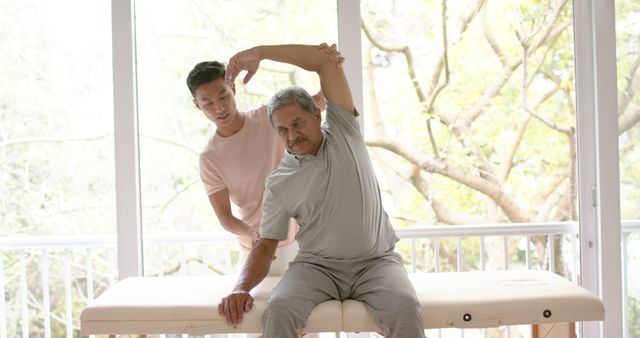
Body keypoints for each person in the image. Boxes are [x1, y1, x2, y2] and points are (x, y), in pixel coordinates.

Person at [218, 43, 424, 338]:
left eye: (297, 123)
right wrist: (239, 288)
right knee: (279, 310)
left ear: (317, 113)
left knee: (404, 307)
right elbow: (265, 247)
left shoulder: (344, 132)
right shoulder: (279, 182)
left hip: (376, 263)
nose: (292, 135)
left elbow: (323, 62)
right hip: (317, 269)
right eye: (282, 130)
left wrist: (259, 52)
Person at [186, 58, 331, 276]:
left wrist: (330, 65)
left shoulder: (268, 117)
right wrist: (252, 234)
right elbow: (225, 217)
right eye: (208, 103)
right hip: (259, 248)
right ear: (198, 106)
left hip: (304, 239)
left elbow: (320, 101)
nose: (219, 108)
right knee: (258, 308)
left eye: (223, 96)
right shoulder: (210, 157)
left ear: (233, 88)